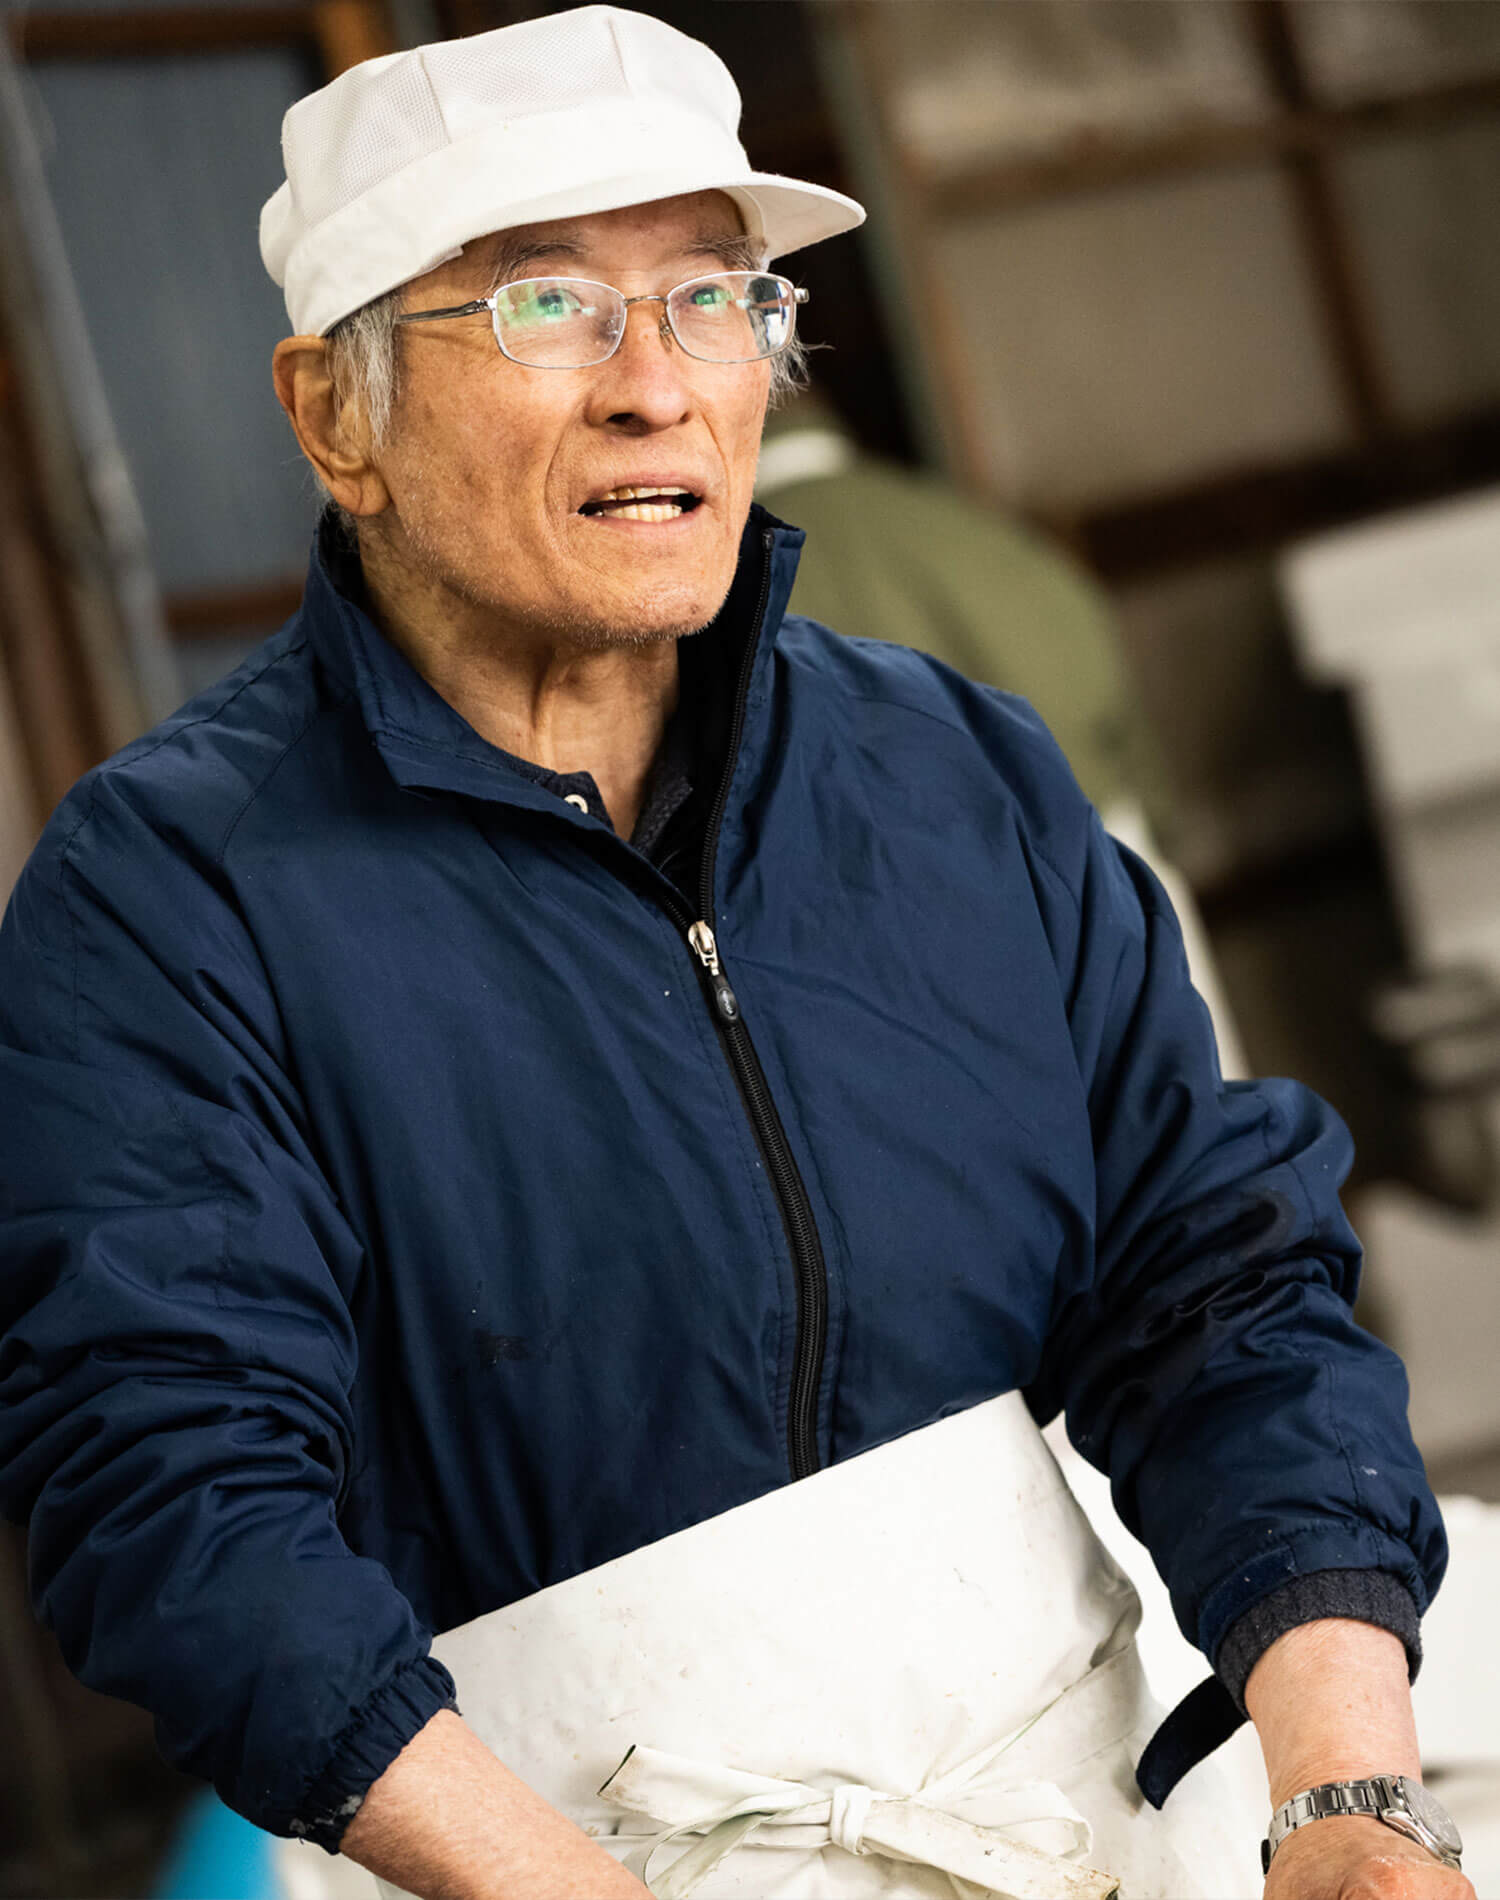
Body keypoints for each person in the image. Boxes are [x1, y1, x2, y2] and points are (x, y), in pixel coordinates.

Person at [0, 10, 1468, 1899]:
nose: (657, 386)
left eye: (713, 297)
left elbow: (1218, 1287)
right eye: (547, 306)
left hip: (1088, 1819)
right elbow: (178, 1504)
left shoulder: (948, 770)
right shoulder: (167, 898)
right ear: (333, 418)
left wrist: (1347, 1797)